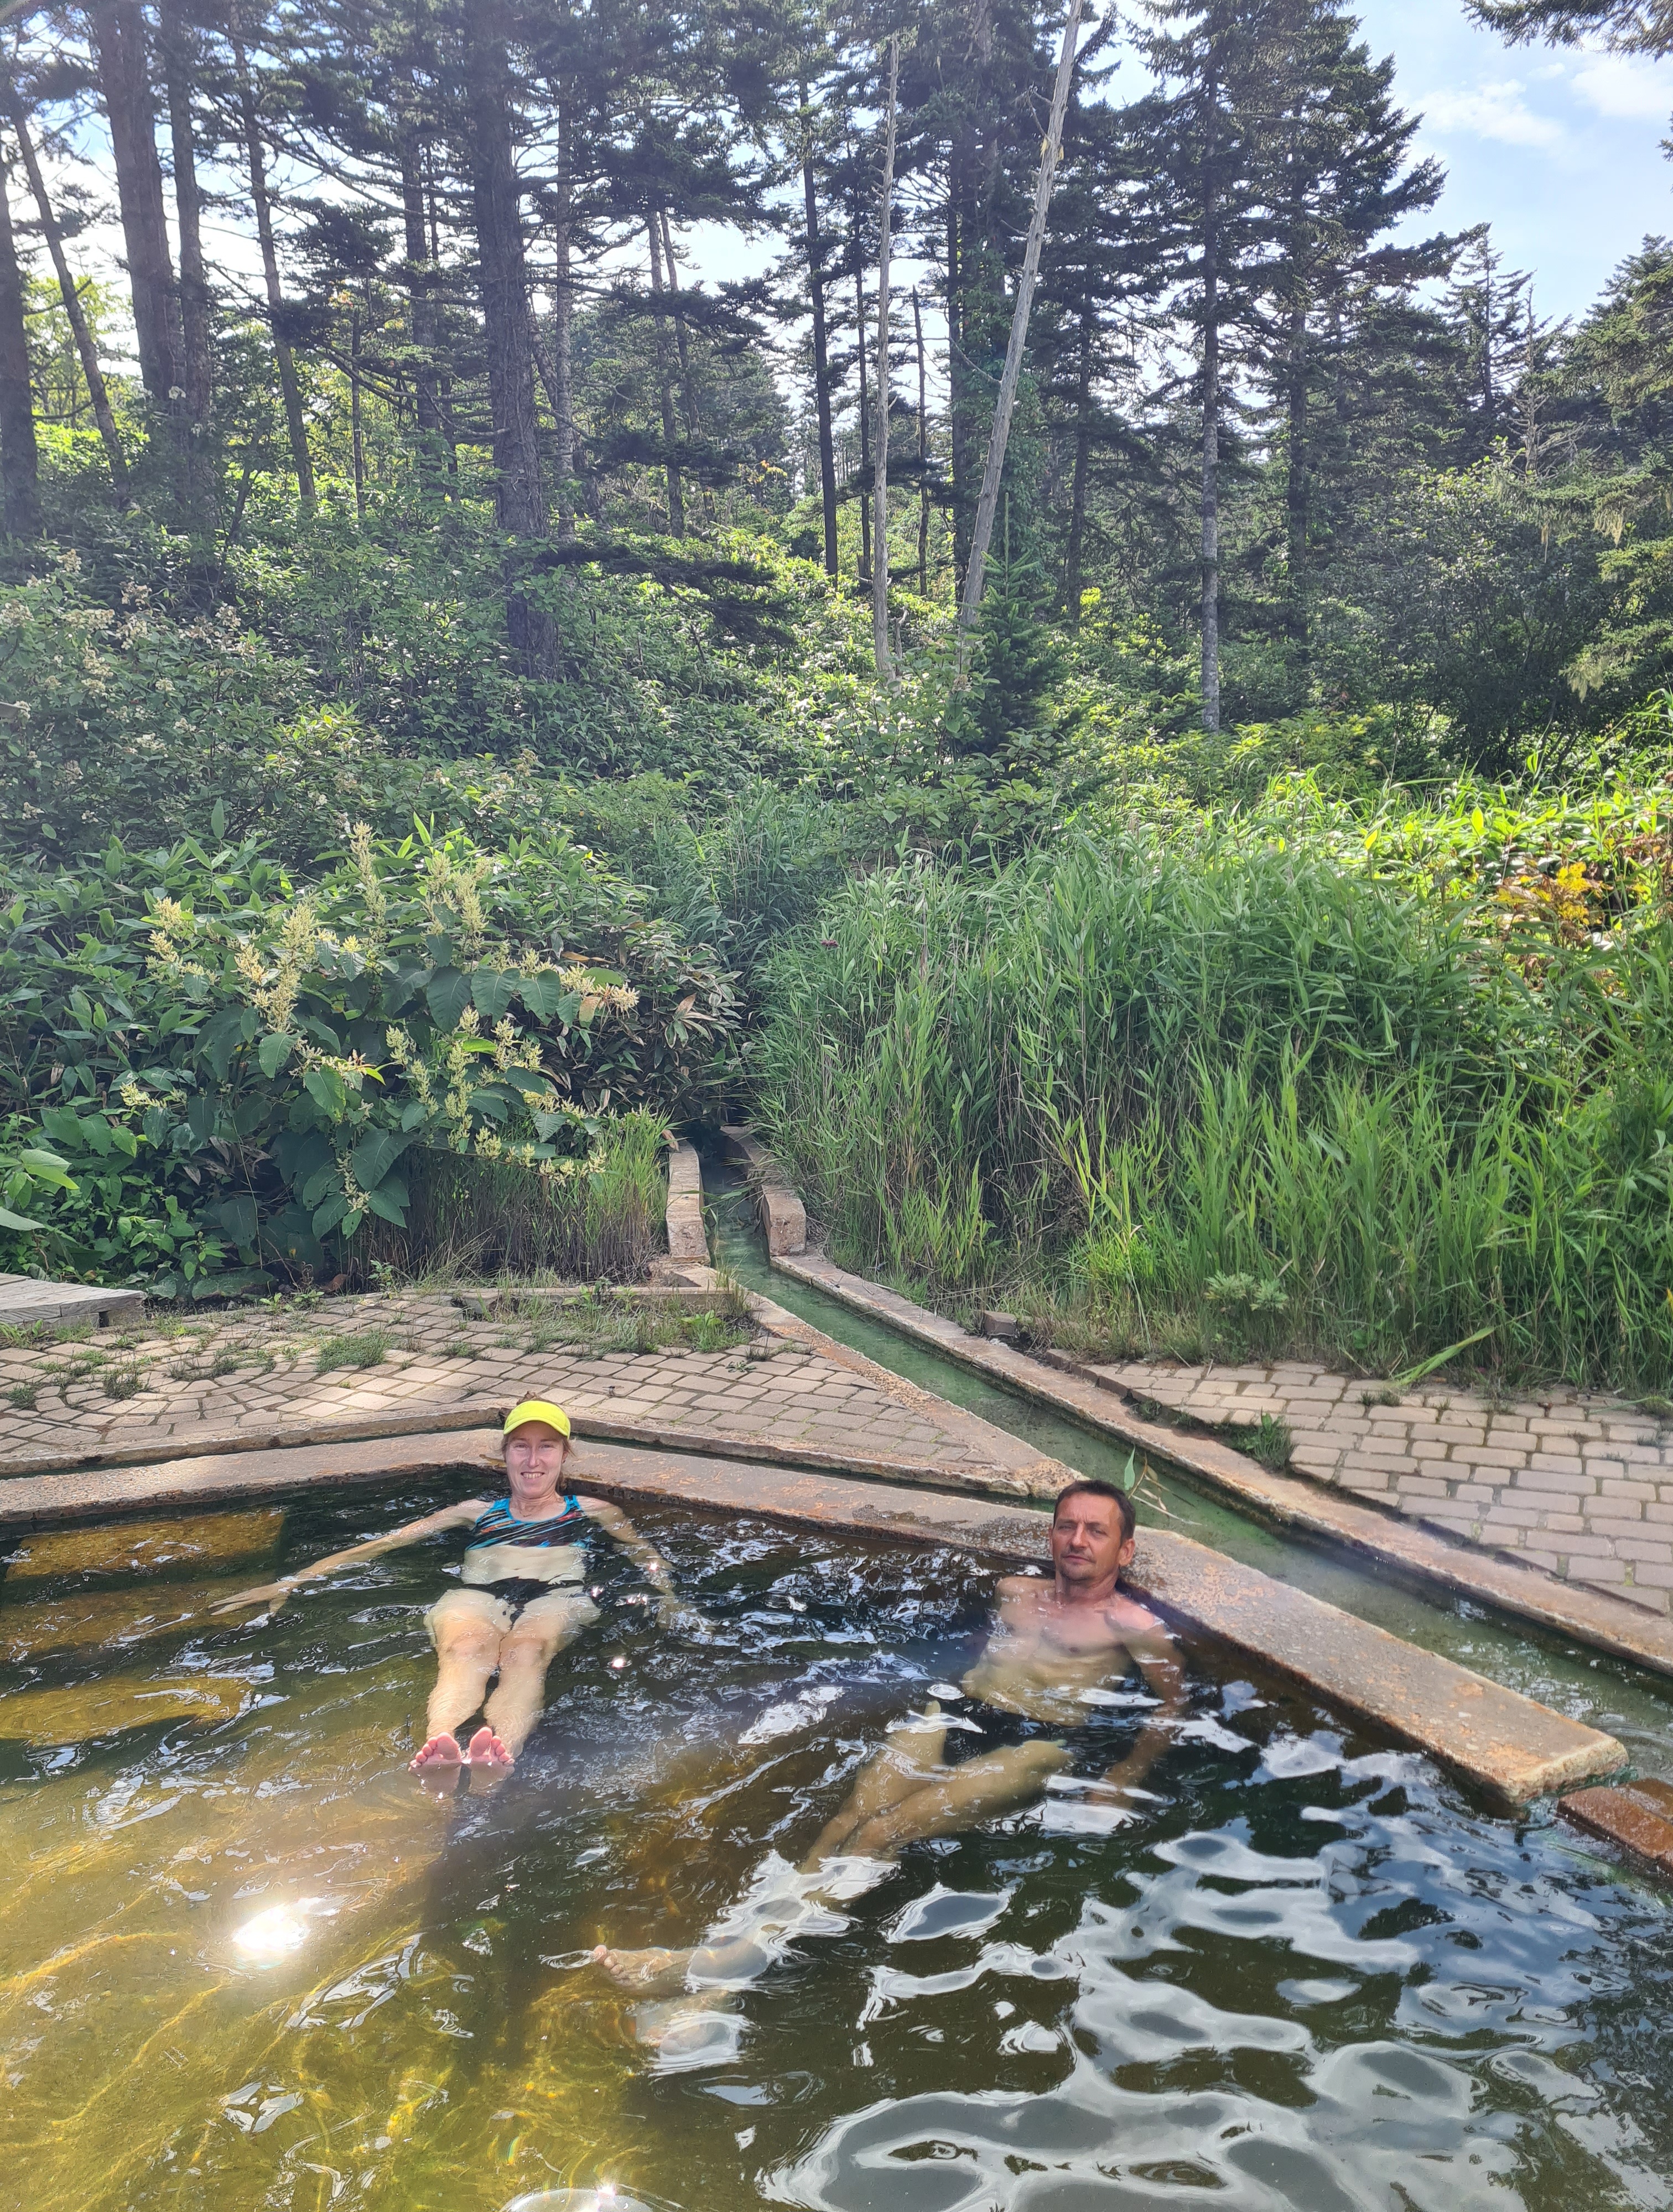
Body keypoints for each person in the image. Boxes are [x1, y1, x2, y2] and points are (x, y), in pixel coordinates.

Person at [595, 1476, 1184, 1996]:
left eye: (1096, 1531)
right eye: (1067, 1526)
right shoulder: (1014, 1593)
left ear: (1124, 1549)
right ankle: (721, 1983)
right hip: (959, 1711)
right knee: (849, 1819)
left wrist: (1124, 1776)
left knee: (884, 1830)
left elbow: (1173, 1706)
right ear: (1051, 1536)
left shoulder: (1134, 1626)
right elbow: (975, 1652)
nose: (1078, 1540)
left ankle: (728, 1960)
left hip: (1040, 1738)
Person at [213, 1398, 693, 1777]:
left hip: (556, 1595)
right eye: (520, 1446)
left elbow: (645, 1554)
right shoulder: (473, 1512)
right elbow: (386, 1542)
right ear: (503, 1453)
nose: (532, 1459)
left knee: (526, 1651)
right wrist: (295, 1579)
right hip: (479, 1597)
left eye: (547, 1446)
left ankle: (497, 1758)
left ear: (564, 1454)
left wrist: (671, 1599)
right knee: (466, 1648)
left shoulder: (592, 1510)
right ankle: (439, 1748)